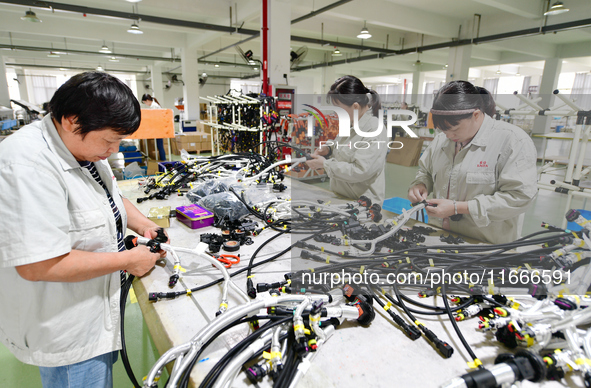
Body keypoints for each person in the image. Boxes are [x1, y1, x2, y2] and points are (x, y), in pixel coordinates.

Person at [0, 71, 167, 388]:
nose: (115, 150)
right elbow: (37, 264)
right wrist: (128, 260)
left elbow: (110, 198)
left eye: (119, 141)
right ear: (70, 120)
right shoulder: (27, 164)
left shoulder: (83, 149)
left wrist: (143, 224)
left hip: (96, 310)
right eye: (109, 140)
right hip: (67, 328)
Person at [408, 80, 538, 244]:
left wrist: (459, 207)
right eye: (444, 130)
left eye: (454, 130)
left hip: (484, 246)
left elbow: (519, 197)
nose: (448, 136)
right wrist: (421, 184)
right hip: (439, 237)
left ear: (476, 115)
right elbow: (425, 171)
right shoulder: (443, 139)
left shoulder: (512, 141)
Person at [305, 75, 388, 204]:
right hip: (341, 197)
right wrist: (328, 148)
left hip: (363, 205)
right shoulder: (350, 123)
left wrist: (325, 164)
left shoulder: (374, 129)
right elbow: (344, 146)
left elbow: (361, 171)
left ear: (355, 106)